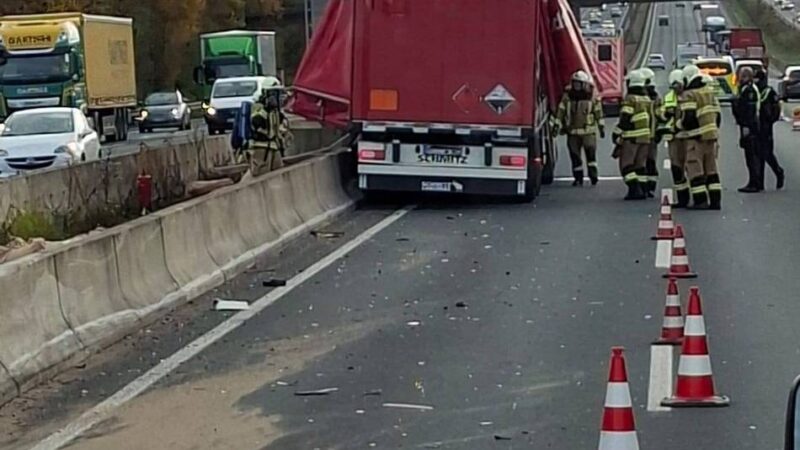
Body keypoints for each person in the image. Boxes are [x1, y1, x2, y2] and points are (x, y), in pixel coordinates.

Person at [676, 64, 723, 210]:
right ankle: (715, 201)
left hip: (695, 138)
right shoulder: (709, 92)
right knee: (711, 170)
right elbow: (718, 115)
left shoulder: (689, 95)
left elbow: (688, 119)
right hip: (711, 137)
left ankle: (700, 200)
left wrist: (678, 125)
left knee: (695, 169)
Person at [555, 70, 605, 186]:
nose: (576, 86)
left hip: (588, 133)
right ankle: (578, 178)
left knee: (591, 156)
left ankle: (593, 176)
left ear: (584, 84)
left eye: (579, 83)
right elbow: (561, 112)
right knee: (575, 156)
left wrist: (601, 127)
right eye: (575, 83)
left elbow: (598, 112)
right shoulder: (567, 97)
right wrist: (556, 126)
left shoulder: (592, 97)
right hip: (572, 132)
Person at [612, 69, 653, 200]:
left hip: (631, 137)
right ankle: (643, 189)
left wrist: (616, 133)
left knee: (626, 165)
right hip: (645, 137)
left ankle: (634, 189)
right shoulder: (646, 99)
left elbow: (625, 118)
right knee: (640, 165)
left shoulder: (630, 99)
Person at [658, 69, 691, 207]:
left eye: (677, 85)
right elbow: (661, 115)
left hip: (688, 136)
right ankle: (682, 198)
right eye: (673, 86)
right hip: (673, 137)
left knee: (692, 167)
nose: (676, 88)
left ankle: (698, 196)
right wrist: (666, 114)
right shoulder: (669, 97)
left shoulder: (689, 96)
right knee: (677, 168)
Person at [754, 68, 786, 190]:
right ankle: (760, 182)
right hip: (757, 126)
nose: (757, 81)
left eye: (758, 78)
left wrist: (771, 120)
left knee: (767, 154)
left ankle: (778, 172)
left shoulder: (769, 92)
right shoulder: (755, 90)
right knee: (758, 155)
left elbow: (776, 107)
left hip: (766, 127)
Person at [732, 67, 762, 193]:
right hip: (747, 125)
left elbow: (749, 110)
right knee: (749, 154)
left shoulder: (749, 90)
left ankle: (754, 183)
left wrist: (746, 127)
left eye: (743, 76)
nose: (740, 78)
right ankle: (753, 181)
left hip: (750, 126)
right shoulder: (744, 89)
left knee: (751, 155)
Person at [249, 86, 286, 176]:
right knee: (260, 173)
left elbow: (277, 129)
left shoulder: (275, 112)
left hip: (273, 146)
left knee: (278, 172)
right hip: (261, 147)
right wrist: (266, 109)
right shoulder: (258, 108)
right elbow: (256, 122)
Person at [640, 67, 660, 197]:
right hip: (641, 136)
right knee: (641, 162)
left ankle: (650, 187)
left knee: (650, 161)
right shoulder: (638, 98)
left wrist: (659, 133)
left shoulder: (656, 99)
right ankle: (642, 187)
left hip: (650, 136)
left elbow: (660, 116)